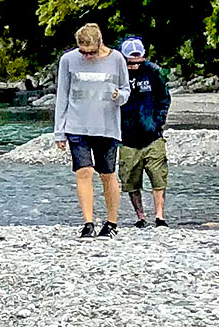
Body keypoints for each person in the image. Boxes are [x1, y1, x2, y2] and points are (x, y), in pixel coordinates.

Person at [53, 23, 129, 238]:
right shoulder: (68, 60)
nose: (86, 56)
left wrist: (119, 96)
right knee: (83, 171)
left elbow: (126, 90)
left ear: (100, 44)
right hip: (76, 124)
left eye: (91, 53)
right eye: (82, 52)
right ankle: (88, 222)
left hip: (106, 126)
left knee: (107, 174)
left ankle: (111, 222)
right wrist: (60, 132)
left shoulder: (116, 59)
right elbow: (63, 96)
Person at [117, 36, 171, 228]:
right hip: (126, 138)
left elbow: (164, 99)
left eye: (137, 62)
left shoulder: (153, 72)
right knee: (130, 181)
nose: (133, 66)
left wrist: (158, 123)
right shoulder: (116, 73)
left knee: (159, 177)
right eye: (130, 63)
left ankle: (160, 216)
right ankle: (140, 217)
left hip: (153, 136)